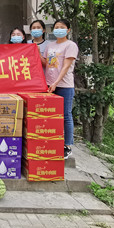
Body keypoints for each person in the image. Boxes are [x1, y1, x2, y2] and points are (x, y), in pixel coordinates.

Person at [41, 18, 79, 160]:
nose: (58, 29)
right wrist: (35, 52)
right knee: (50, 115)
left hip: (64, 85)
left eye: (62, 27)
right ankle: (52, 141)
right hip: (49, 85)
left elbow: (66, 66)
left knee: (66, 115)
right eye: (56, 27)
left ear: (68, 30)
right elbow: (46, 63)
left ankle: (67, 145)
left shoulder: (70, 45)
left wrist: (56, 82)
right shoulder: (50, 46)